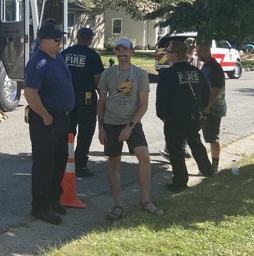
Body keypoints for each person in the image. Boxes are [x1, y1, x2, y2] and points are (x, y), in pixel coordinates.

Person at [96, 37, 163, 219]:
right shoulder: (108, 74)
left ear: (132, 52)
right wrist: (100, 127)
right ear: (115, 53)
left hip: (132, 124)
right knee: (113, 162)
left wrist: (130, 126)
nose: (122, 54)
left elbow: (143, 105)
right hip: (110, 124)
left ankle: (145, 200)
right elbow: (101, 100)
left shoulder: (140, 75)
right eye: (118, 50)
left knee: (144, 157)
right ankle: (117, 205)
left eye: (125, 50)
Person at [23, 21, 75, 224]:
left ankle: (54, 198)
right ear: (44, 41)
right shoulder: (38, 62)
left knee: (60, 160)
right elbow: (30, 93)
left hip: (62, 117)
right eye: (57, 39)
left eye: (61, 38)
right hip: (46, 119)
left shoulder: (57, 56)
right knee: (44, 164)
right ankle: (39, 207)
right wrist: (45, 116)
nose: (61, 42)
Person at [156, 38, 214, 192]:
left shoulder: (167, 74)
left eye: (168, 51)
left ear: (175, 55)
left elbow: (162, 99)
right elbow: (206, 94)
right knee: (195, 143)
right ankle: (207, 170)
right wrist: (200, 109)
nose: (166, 54)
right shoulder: (197, 72)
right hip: (194, 115)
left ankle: (180, 181)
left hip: (174, 117)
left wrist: (162, 116)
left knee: (175, 150)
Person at [60, 27, 104, 178]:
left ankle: (65, 161)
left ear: (77, 37)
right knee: (85, 132)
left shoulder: (64, 54)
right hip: (86, 98)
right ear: (90, 39)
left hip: (67, 97)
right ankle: (80, 165)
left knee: (68, 130)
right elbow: (98, 81)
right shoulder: (92, 56)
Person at [197, 41, 228, 174]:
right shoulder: (206, 66)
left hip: (213, 109)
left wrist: (208, 107)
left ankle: (214, 167)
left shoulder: (214, 68)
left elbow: (215, 90)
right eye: (198, 50)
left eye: (202, 51)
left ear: (208, 51)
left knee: (212, 138)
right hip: (207, 108)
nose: (198, 53)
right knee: (205, 136)